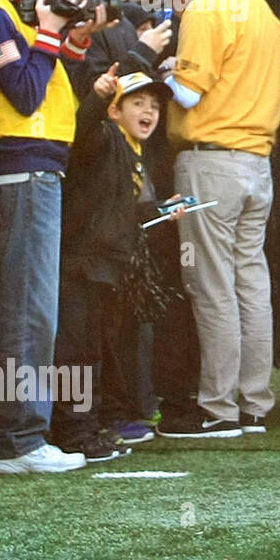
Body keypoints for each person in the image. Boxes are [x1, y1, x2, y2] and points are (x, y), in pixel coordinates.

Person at [159, 0, 280, 439]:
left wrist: (164, 69)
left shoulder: (207, 8)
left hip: (211, 161)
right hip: (257, 163)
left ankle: (219, 410)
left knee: (213, 287)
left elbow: (190, 94)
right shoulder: (264, 13)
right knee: (250, 284)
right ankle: (254, 405)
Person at [0, 0, 103, 476]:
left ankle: (16, 434)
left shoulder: (4, 11)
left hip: (31, 168)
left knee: (26, 307)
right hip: (21, 170)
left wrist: (69, 41)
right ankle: (19, 439)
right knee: (28, 310)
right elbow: (26, 95)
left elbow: (49, 81)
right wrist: (52, 32)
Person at [51, 66, 182, 463]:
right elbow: (82, 132)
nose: (149, 112)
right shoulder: (105, 137)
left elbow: (120, 212)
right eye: (137, 103)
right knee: (75, 351)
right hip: (78, 265)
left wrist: (160, 210)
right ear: (115, 111)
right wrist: (97, 97)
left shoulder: (132, 153)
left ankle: (88, 428)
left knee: (90, 352)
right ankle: (73, 433)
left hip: (101, 269)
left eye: (155, 106)